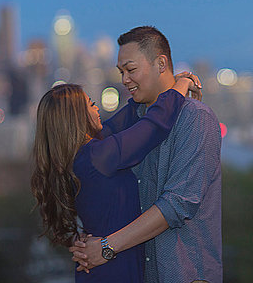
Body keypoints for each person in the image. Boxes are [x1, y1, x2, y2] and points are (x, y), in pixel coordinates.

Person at [70, 26, 223, 283]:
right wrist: (84, 239)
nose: (124, 80)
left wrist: (106, 247)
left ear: (161, 63)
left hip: (186, 275)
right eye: (121, 73)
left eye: (130, 70)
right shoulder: (134, 122)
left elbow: (178, 203)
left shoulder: (195, 118)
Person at [31, 76, 199, 282]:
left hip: (99, 264)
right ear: (77, 117)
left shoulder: (76, 158)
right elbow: (154, 125)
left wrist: (161, 84)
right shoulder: (99, 155)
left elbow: (126, 117)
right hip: (114, 266)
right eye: (91, 105)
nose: (97, 110)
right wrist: (183, 83)